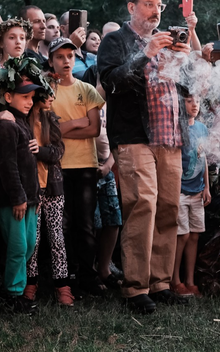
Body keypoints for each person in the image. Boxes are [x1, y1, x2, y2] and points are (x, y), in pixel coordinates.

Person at [97, 0, 192, 313]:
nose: (156, 11)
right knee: (143, 205)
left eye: (159, 6)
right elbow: (110, 81)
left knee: (167, 207)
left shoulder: (166, 42)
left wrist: (188, 60)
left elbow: (186, 88)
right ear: (131, 7)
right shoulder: (115, 41)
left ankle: (160, 281)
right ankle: (135, 288)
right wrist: (145, 54)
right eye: (149, 4)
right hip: (134, 136)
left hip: (170, 136)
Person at [47, 37, 106, 296]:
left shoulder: (87, 90)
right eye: (60, 57)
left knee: (85, 223)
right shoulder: (47, 91)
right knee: (62, 224)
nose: (65, 61)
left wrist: (63, 128)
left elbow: (94, 128)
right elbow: (48, 134)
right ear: (51, 61)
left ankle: (88, 277)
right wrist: (75, 122)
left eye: (70, 56)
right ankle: (66, 276)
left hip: (84, 165)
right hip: (57, 165)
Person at [0, 59, 42, 314]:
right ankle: (13, 295)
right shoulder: (7, 126)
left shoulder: (22, 124)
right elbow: (7, 166)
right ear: (8, 96)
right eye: (24, 97)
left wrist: (34, 197)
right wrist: (18, 197)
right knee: (18, 247)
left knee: (29, 245)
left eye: (32, 97)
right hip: (14, 200)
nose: (30, 101)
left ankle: (14, 289)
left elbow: (30, 166)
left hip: (29, 199)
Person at [21, 87, 75, 307]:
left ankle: (62, 286)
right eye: (48, 93)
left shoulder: (50, 119)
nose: (53, 97)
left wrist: (39, 151)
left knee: (56, 239)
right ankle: (30, 284)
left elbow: (58, 151)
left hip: (53, 189)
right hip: (32, 190)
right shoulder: (22, 120)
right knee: (32, 240)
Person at [171, 89, 210, 298]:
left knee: (194, 235)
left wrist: (207, 187)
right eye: (188, 101)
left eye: (197, 101)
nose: (194, 105)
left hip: (197, 191)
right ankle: (174, 280)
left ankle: (190, 281)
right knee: (182, 235)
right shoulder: (177, 127)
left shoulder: (203, 129)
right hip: (180, 191)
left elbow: (203, 158)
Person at [93, 79, 124, 290]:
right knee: (94, 224)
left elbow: (117, 141)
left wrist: (108, 166)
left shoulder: (113, 107)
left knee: (113, 220)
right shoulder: (85, 102)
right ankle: (92, 270)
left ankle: (104, 268)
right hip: (87, 169)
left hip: (107, 169)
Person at [59, 11, 96, 79]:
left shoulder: (93, 57)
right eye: (75, 23)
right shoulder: (60, 59)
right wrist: (71, 45)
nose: (80, 28)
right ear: (63, 29)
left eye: (83, 24)